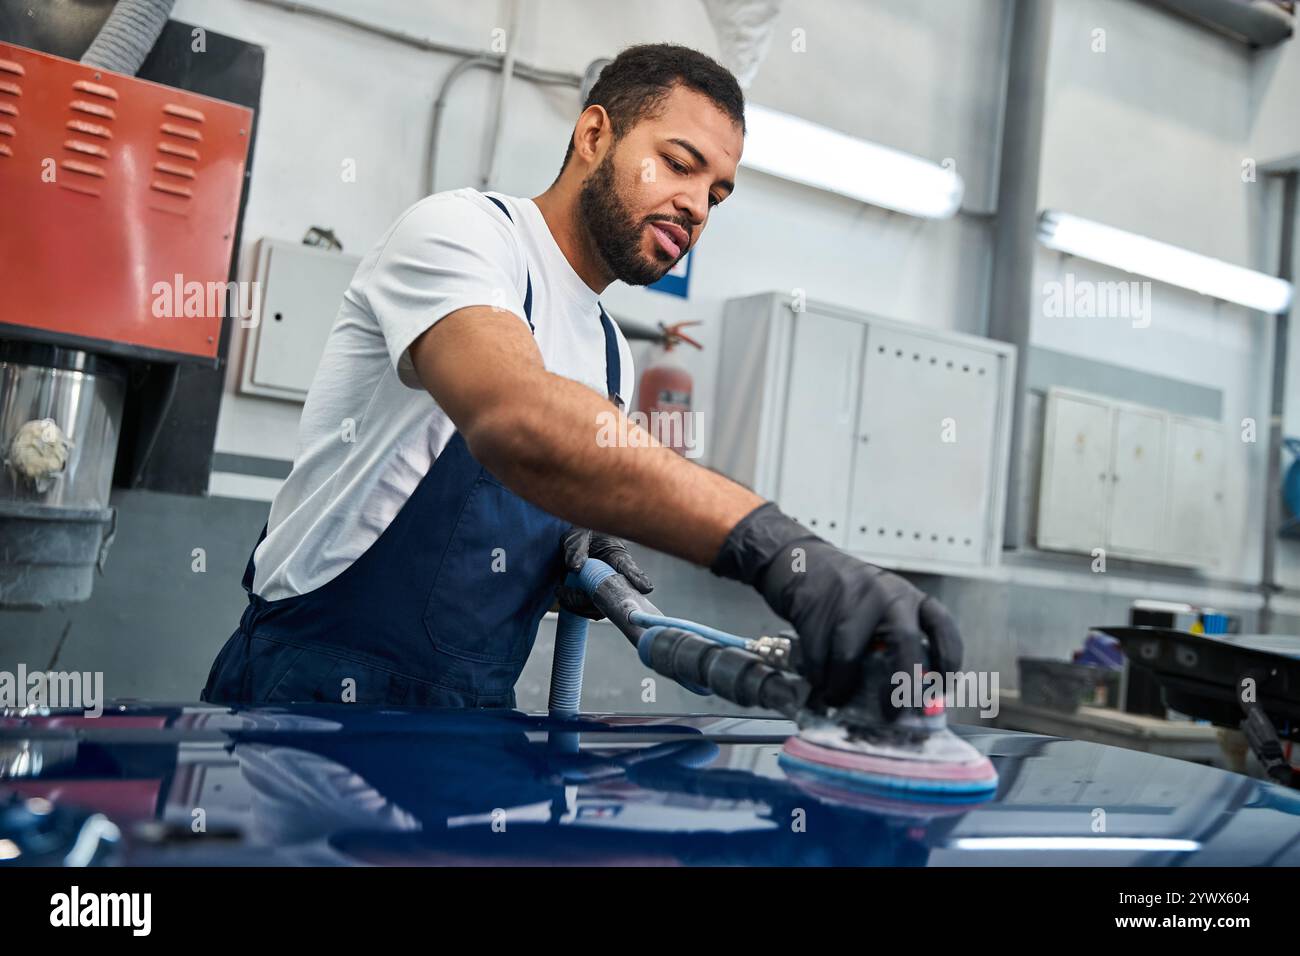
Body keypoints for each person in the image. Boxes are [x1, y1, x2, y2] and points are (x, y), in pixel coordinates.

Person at [201, 43, 962, 712]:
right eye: (678, 164)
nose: (696, 206)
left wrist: (560, 552)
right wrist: (778, 551)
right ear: (595, 134)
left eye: (716, 194)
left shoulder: (608, 353)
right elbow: (517, 420)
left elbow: (553, 466)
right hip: (311, 691)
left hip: (471, 721)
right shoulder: (466, 234)